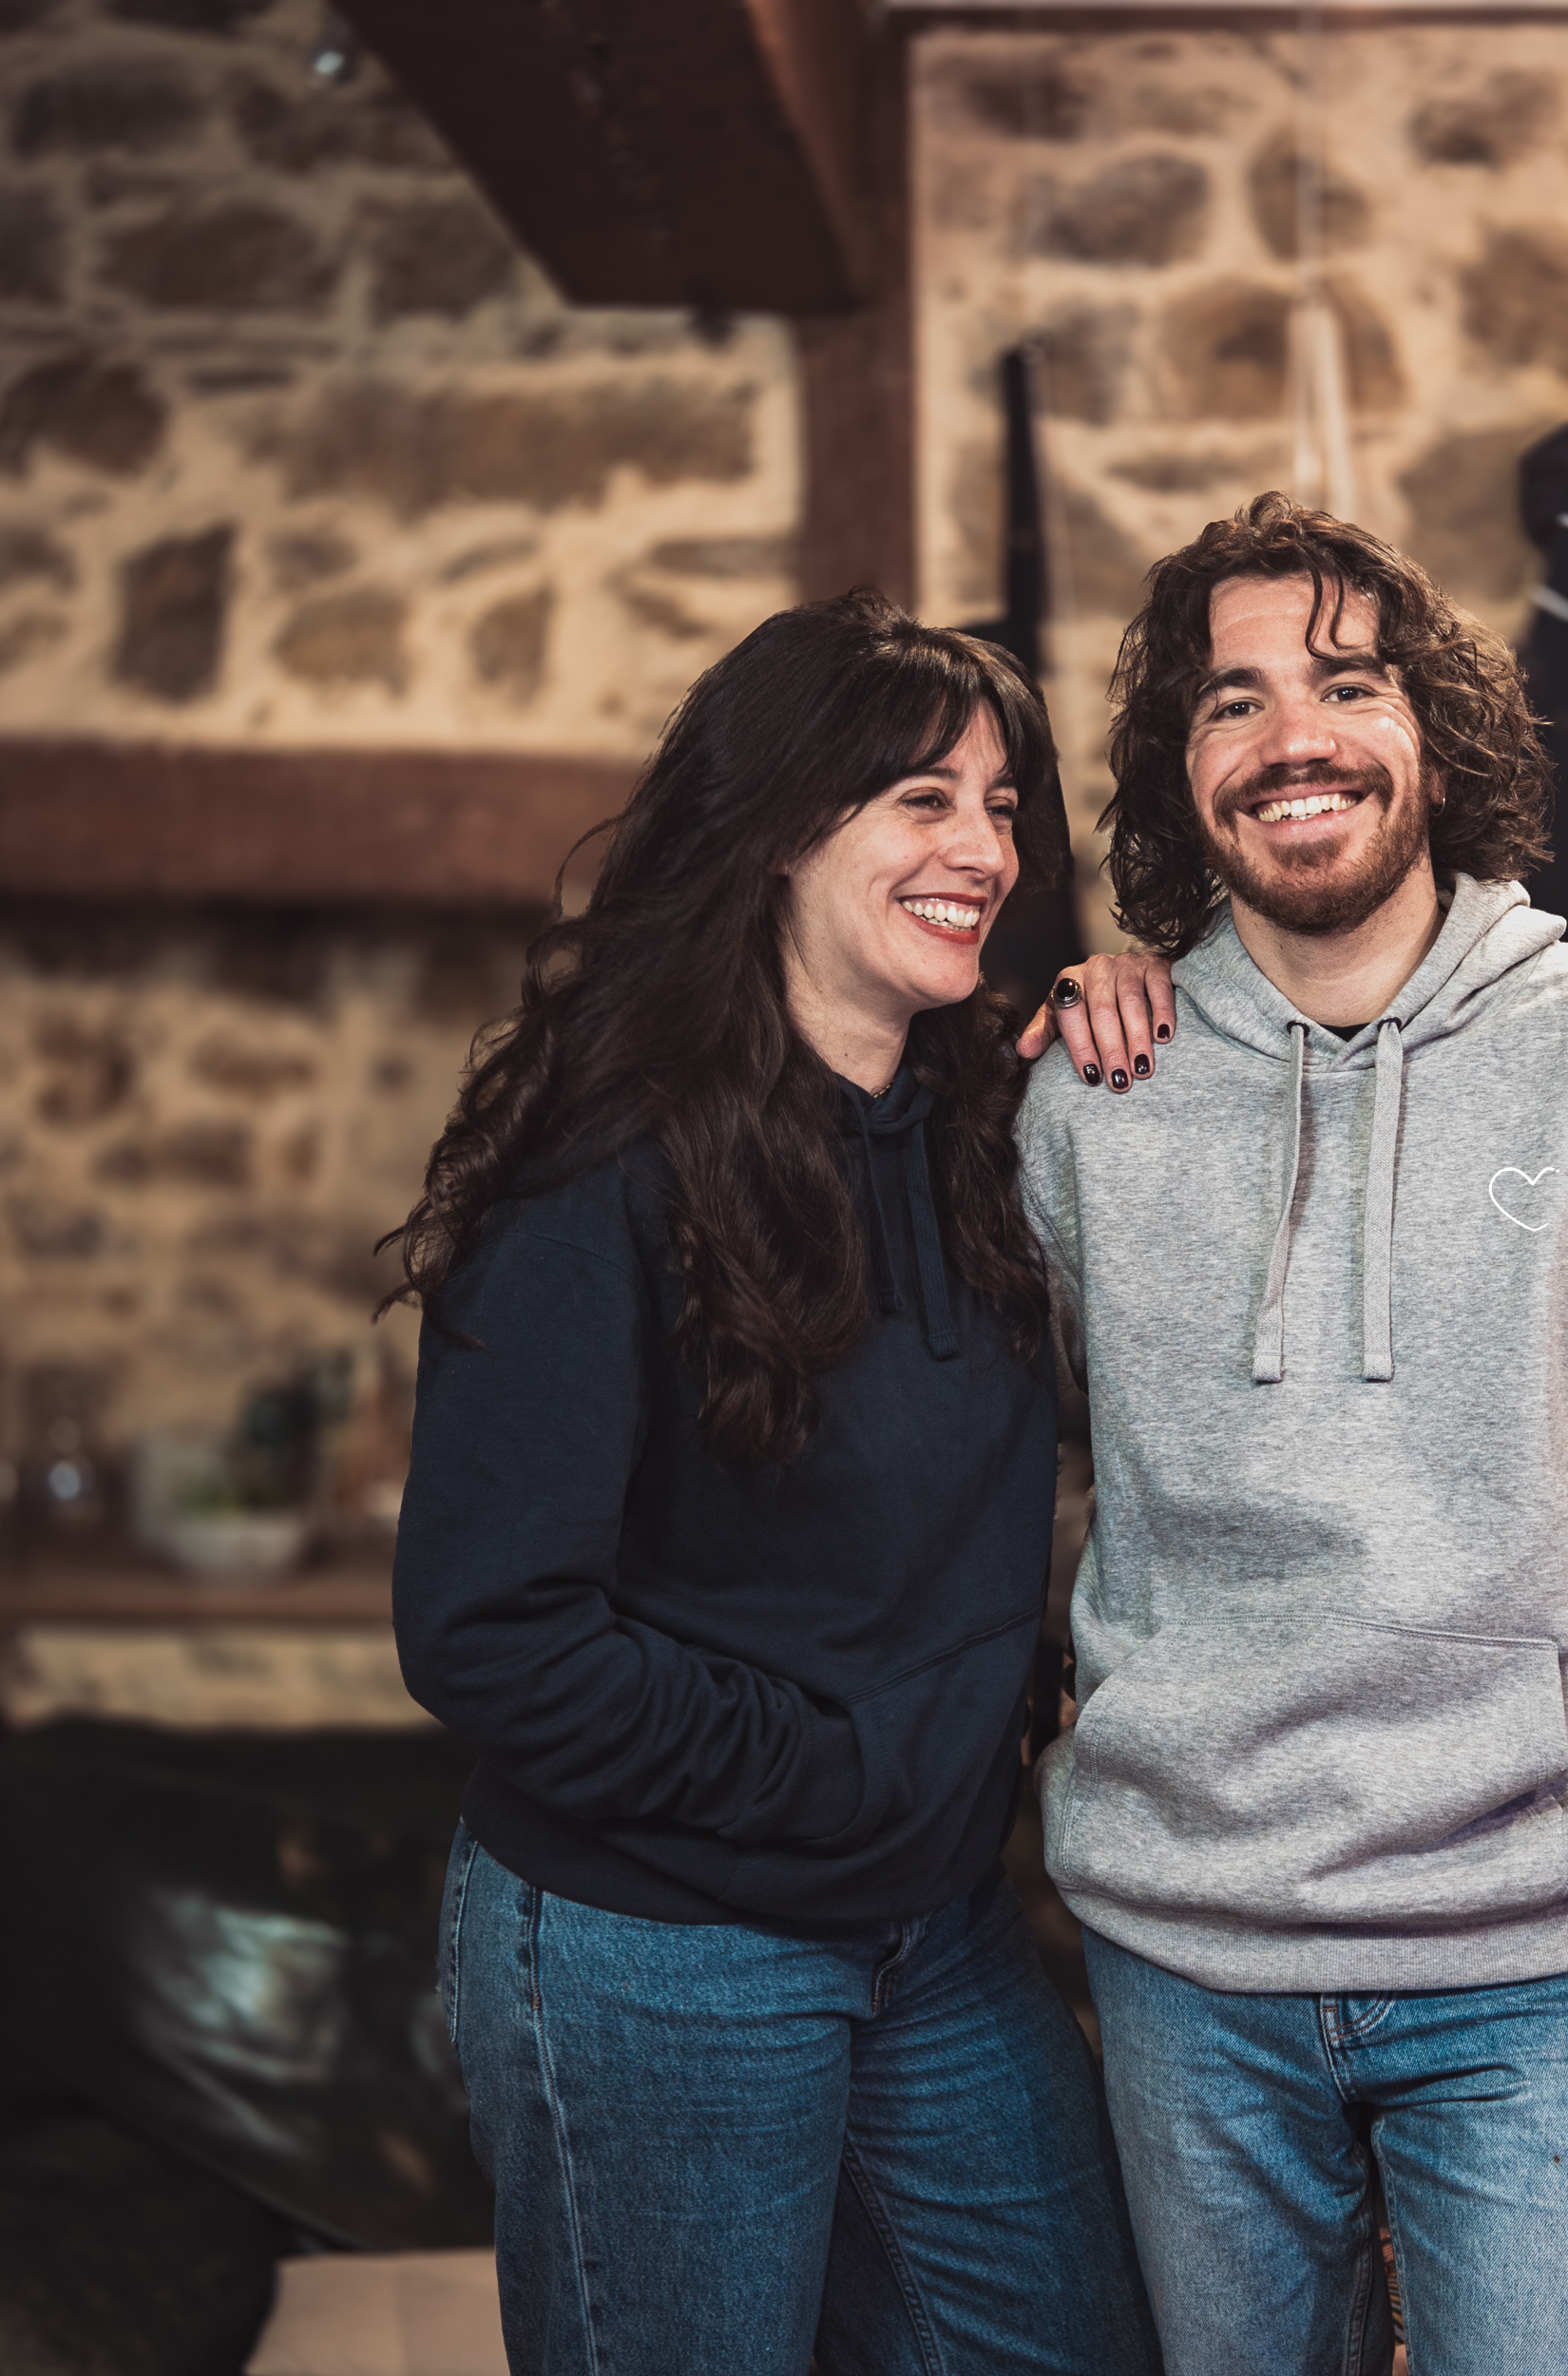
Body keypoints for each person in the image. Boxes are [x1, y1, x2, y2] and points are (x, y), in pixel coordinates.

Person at [1014, 493, 1568, 2375]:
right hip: (1184, 1957)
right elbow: (1026, 1466)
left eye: (1345, 684)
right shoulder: (1092, 1096)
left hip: (1520, 1960)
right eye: (1230, 701)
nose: (1289, 735)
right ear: (1181, 771)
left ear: (1433, 741)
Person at [386, 592, 1161, 2376]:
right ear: (781, 831)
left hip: (931, 1926)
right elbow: (489, 1631)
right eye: (923, 800)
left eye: (1002, 807)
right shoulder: (604, 1169)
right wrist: (839, 1770)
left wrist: (1120, 988)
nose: (987, 850)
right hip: (658, 1946)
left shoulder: (985, 1127)